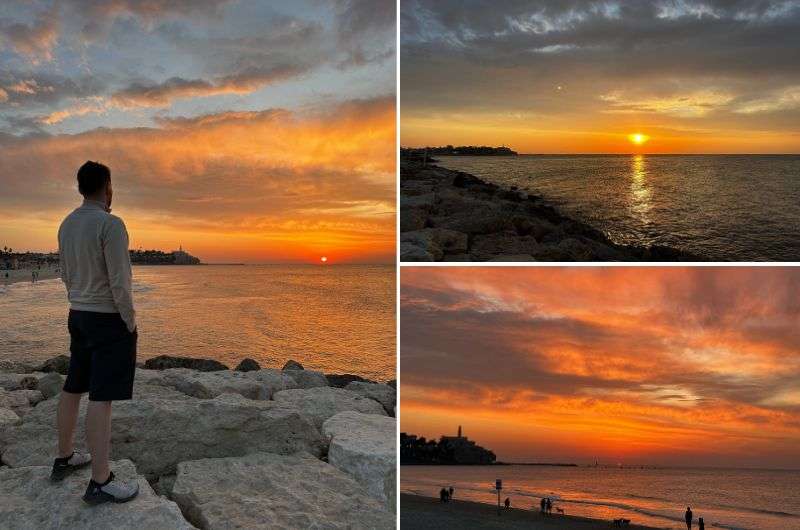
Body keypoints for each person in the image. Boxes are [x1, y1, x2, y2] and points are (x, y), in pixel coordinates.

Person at [54, 161, 139, 504]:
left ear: (80, 188)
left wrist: (78, 300)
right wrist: (129, 320)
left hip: (78, 314)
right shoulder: (111, 224)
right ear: (107, 187)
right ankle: (101, 480)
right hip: (107, 319)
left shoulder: (67, 224)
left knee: (74, 385)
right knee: (102, 398)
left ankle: (64, 456)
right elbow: (121, 280)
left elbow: (64, 273)